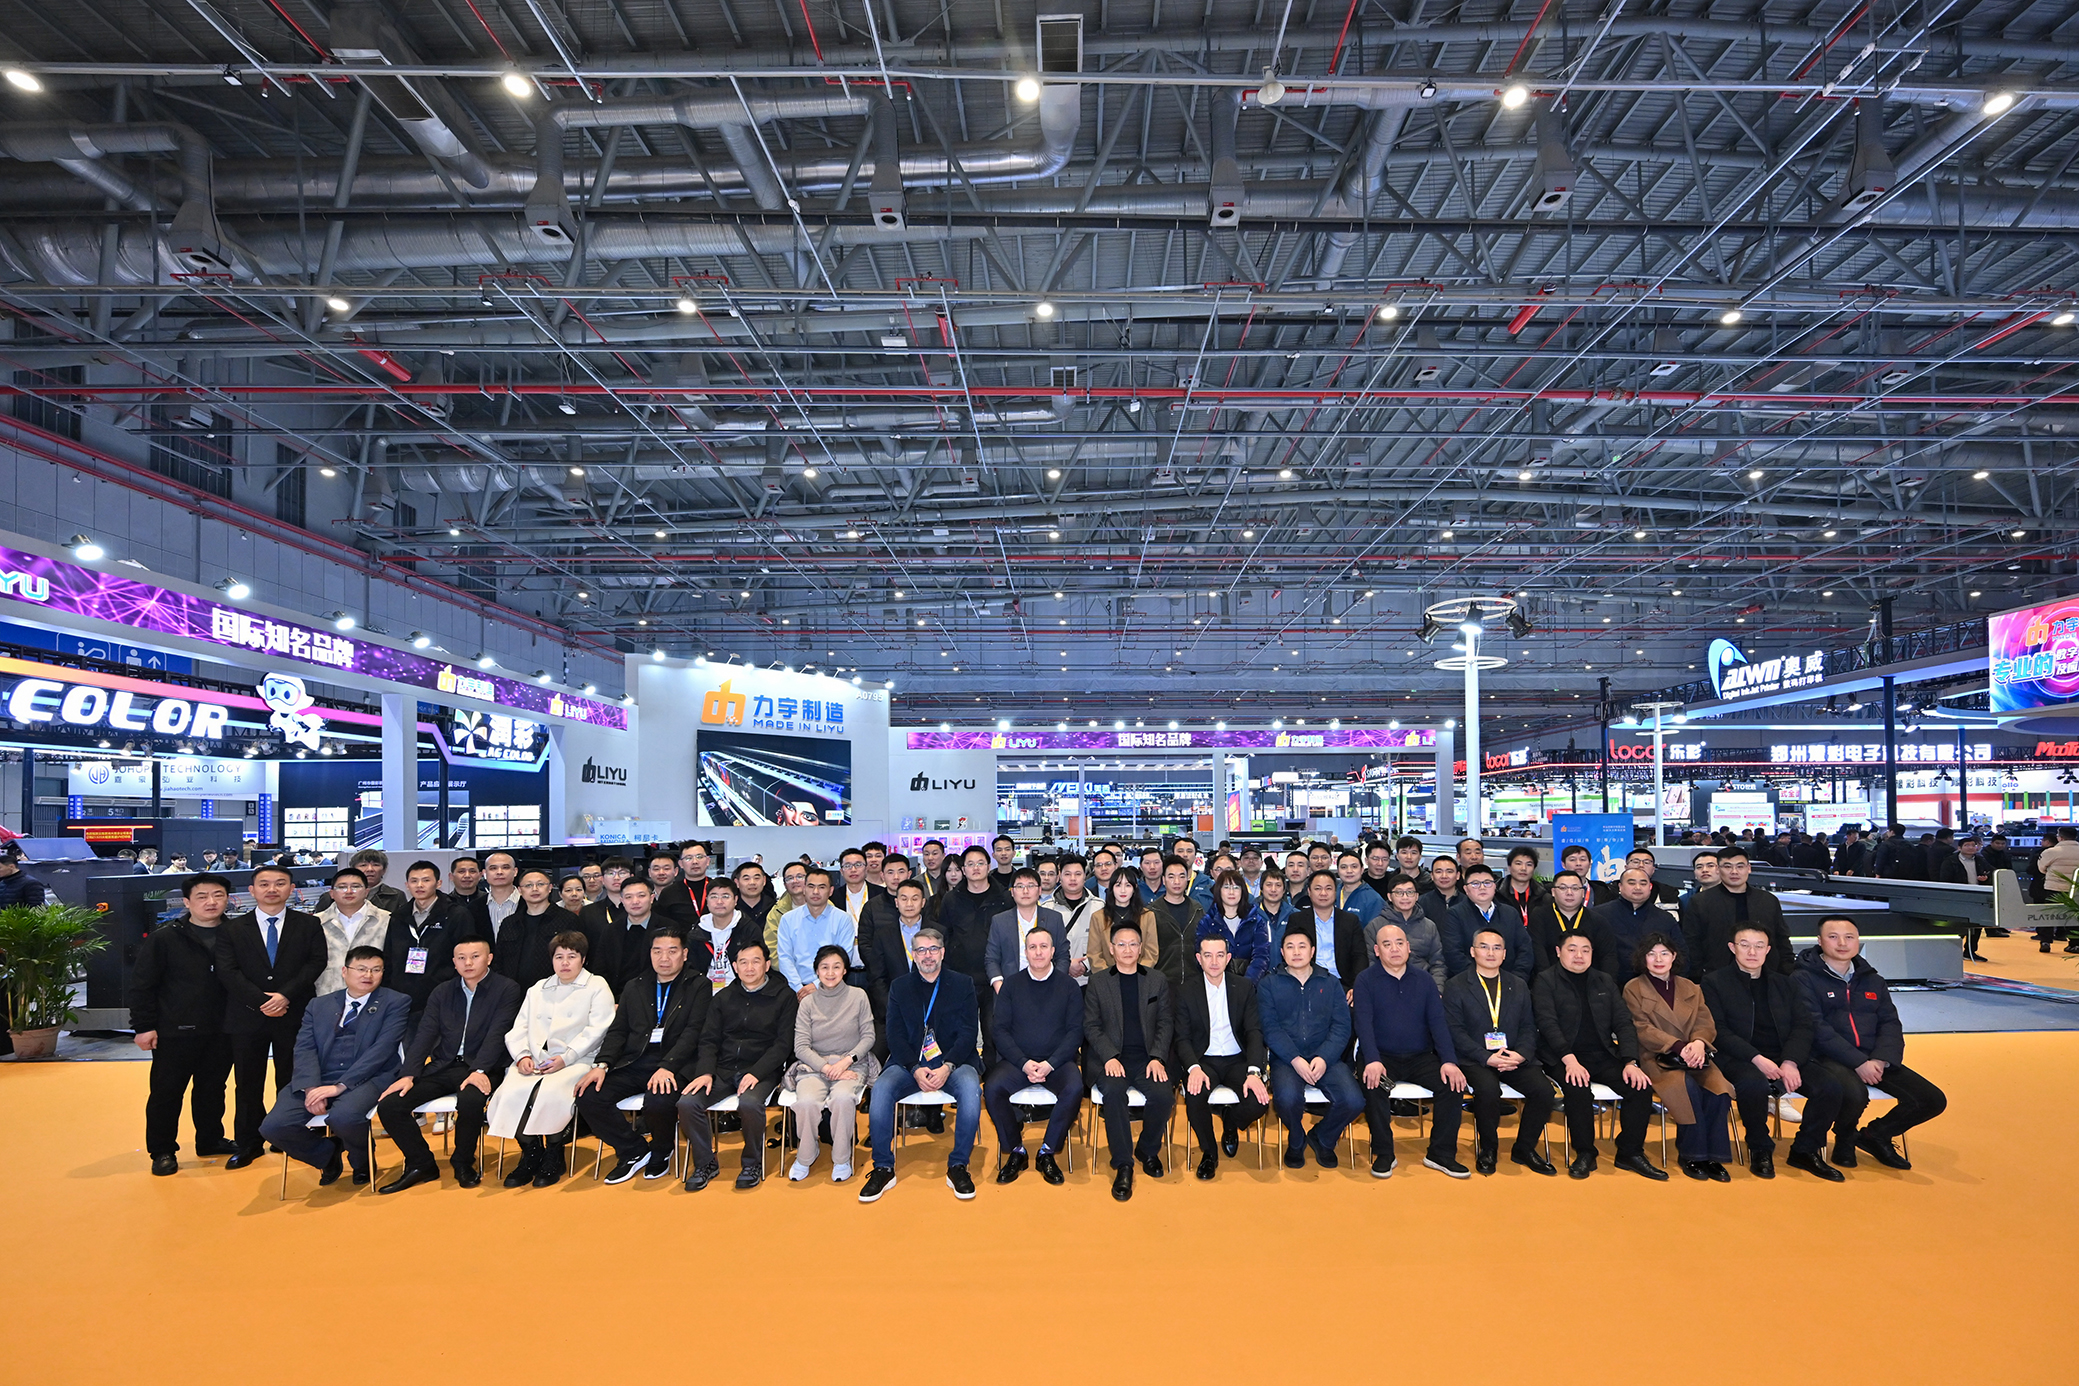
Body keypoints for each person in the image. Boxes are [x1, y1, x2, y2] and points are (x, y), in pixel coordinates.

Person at [372, 936, 526, 1192]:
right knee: (391, 1104)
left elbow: (498, 1033)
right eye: (461, 958)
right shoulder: (442, 991)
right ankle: (421, 1164)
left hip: (485, 1066)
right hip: (444, 1065)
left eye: (475, 956)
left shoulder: (506, 988)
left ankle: (463, 1162)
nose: (468, 963)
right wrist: (408, 1074)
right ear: (454, 962)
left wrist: (479, 1070)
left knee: (471, 1100)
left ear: (489, 958)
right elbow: (424, 1035)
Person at [1796, 917, 1947, 1170]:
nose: (1842, 943)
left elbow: (1890, 1022)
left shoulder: (1872, 979)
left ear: (1858, 941)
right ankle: (1845, 1137)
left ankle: (1874, 1135)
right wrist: (1858, 1062)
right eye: (1833, 937)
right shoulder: (1803, 978)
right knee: (1854, 1093)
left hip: (1872, 1056)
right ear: (1819, 941)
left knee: (1931, 1100)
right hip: (1825, 1056)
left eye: (1849, 937)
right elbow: (1816, 1028)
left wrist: (1880, 1059)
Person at [259, 946, 410, 1188]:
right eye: (361, 969)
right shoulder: (318, 1005)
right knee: (274, 1127)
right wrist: (311, 1087)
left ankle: (362, 1161)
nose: (368, 975)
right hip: (319, 1076)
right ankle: (326, 1155)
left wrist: (340, 1086)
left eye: (376, 970)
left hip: (368, 1076)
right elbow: (304, 1048)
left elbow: (381, 1051)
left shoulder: (396, 1002)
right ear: (344, 971)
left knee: (344, 1117)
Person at [1701, 925, 1844, 1182]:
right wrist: (1757, 1059)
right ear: (1732, 948)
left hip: (1783, 1056)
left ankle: (1805, 1149)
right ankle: (1760, 1147)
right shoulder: (1714, 982)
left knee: (1830, 1087)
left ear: (1767, 950)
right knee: (1753, 1085)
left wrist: (1791, 1061)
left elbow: (1803, 1026)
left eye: (1759, 946)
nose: (1752, 952)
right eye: (1744, 945)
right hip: (1739, 1056)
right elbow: (1718, 1030)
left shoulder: (1785, 983)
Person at [567, 929, 707, 1185]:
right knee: (589, 1095)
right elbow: (618, 1031)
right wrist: (602, 1064)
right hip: (636, 1060)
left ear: (685, 954)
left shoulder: (698, 985)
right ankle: (633, 1150)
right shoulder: (635, 986)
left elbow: (694, 1032)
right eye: (657, 951)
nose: (664, 958)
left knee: (658, 1100)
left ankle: (662, 1149)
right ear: (650, 954)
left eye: (672, 951)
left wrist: (668, 1066)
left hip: (676, 1062)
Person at [860, 925, 983, 1203]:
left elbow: (968, 1033)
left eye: (933, 949)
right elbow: (894, 1035)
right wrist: (914, 1069)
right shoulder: (900, 986)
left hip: (953, 1063)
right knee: (881, 1089)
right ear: (913, 954)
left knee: (971, 1090)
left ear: (942, 952)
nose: (927, 955)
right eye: (921, 950)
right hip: (909, 1064)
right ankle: (883, 1167)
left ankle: (958, 1165)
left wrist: (948, 1066)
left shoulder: (962, 984)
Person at [216, 863, 327, 1168]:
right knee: (247, 1082)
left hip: (294, 1013)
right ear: (252, 891)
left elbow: (316, 962)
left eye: (280, 883)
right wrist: (262, 1001)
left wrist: (285, 996)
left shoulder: (309, 924)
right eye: (264, 884)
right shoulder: (232, 929)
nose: (272, 889)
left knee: (291, 1078)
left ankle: (287, 1136)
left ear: (292, 889)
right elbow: (227, 971)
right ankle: (248, 1143)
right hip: (247, 1016)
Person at [484, 932, 615, 1188]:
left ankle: (554, 1152)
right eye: (559, 957)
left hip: (578, 1059)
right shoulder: (538, 988)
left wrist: (566, 1057)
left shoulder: (597, 986)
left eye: (571, 956)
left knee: (549, 1094)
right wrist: (522, 1055)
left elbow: (597, 1029)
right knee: (509, 1094)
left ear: (583, 959)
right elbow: (519, 1027)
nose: (565, 963)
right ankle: (531, 1151)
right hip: (536, 1060)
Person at [1532, 934, 1665, 1180]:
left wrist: (1630, 1061)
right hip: (1561, 1056)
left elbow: (1623, 1023)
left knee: (1640, 1087)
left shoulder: (1604, 981)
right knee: (1578, 1088)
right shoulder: (1545, 980)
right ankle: (1585, 1152)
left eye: (1586, 950)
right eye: (1572, 949)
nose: (1579, 955)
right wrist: (1570, 1060)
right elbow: (1547, 1024)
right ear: (1558, 952)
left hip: (1602, 1054)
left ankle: (1630, 1152)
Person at [130, 874, 238, 1174]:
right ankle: (162, 1150)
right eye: (202, 896)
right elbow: (142, 985)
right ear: (187, 902)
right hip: (174, 1031)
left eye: (218, 895)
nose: (211, 902)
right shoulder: (165, 938)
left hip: (223, 1029)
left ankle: (210, 1139)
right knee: (166, 1092)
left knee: (213, 1089)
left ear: (227, 899)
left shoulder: (237, 934)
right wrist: (143, 1026)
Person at [677, 938, 799, 1191]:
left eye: (756, 961)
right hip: (722, 1069)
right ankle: (706, 1163)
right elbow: (708, 1039)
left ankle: (752, 1163)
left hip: (761, 1069)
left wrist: (756, 1072)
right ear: (734, 966)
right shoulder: (723, 998)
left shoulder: (784, 997)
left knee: (750, 1103)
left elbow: (783, 1044)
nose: (749, 968)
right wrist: (705, 1072)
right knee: (687, 1103)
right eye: (743, 962)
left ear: (767, 965)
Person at [1353, 922, 1470, 1179]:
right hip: (1381, 1057)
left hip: (1420, 1057)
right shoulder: (1365, 980)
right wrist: (1372, 1059)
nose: (1394, 949)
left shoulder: (1425, 980)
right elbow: (1363, 1024)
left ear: (1408, 947)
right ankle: (1384, 1152)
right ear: (1377, 950)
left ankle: (1440, 1153)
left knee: (1453, 1085)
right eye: (1386, 944)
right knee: (1373, 1085)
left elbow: (1438, 1024)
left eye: (1399, 943)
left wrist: (1449, 1061)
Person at [1441, 928, 1557, 1176]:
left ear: (1504, 954)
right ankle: (1488, 1148)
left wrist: (1521, 1055)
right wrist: (1486, 1057)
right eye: (1484, 947)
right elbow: (1455, 1032)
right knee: (1488, 1090)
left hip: (1513, 1057)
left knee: (1544, 1091)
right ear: (1473, 952)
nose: (1490, 953)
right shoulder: (1456, 985)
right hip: (1475, 1058)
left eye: (1496, 948)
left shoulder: (1518, 985)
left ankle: (1524, 1148)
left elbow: (1529, 1026)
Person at [1621, 933, 1735, 1181]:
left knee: (1719, 1090)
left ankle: (1714, 1156)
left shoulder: (1691, 987)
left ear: (1673, 956)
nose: (1658, 959)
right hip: (1657, 1057)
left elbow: (1705, 1022)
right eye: (1651, 954)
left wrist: (1698, 1043)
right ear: (1643, 958)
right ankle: (1692, 1154)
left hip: (1695, 1055)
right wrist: (1677, 1046)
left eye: (1664, 953)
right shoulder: (1633, 988)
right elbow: (1641, 1028)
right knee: (1686, 1089)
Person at [1258, 923, 1364, 1169]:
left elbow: (1341, 1027)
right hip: (1287, 1060)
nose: (1296, 952)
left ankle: (1323, 1138)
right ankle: (1296, 1140)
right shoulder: (1268, 985)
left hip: (1327, 1058)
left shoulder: (1331, 983)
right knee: (1286, 1099)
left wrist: (1324, 1057)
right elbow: (1270, 1028)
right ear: (1282, 952)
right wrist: (1295, 1059)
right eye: (1290, 947)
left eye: (1302, 946)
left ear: (1312, 951)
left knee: (1354, 1101)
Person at [1082, 920, 1175, 1201]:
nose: (1127, 949)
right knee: (1113, 1093)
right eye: (1121, 944)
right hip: (1110, 1059)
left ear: (1141, 948)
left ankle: (1147, 1150)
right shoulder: (1098, 982)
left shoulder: (1156, 980)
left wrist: (1157, 1057)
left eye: (1133, 944)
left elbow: (1165, 1022)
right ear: (1111, 949)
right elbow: (1091, 1026)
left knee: (1164, 1095)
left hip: (1146, 1059)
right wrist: (1109, 1056)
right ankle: (1123, 1164)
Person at [984, 927, 1083, 1184]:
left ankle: (1047, 1151)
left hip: (1056, 1063)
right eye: (1032, 947)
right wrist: (1024, 1063)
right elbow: (1000, 1030)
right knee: (992, 1088)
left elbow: (1075, 1032)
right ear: (1025, 952)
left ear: (1053, 951)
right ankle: (1016, 1150)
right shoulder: (1011, 985)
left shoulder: (1069, 986)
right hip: (1018, 1062)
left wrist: (1050, 1064)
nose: (1038, 952)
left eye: (1043, 947)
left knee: (1074, 1088)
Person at [1174, 933, 1271, 1180]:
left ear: (1228, 958)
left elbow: (1254, 1032)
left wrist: (1254, 1071)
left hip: (1237, 1059)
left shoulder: (1244, 988)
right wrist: (1193, 1068)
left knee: (1259, 1102)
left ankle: (1230, 1121)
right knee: (1195, 1096)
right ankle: (1209, 1153)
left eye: (1220, 955)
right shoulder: (1186, 991)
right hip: (1203, 1060)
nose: (1214, 961)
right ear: (1199, 959)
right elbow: (1182, 1038)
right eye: (1208, 955)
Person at [784, 944, 879, 1184]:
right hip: (815, 1066)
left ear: (845, 970)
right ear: (816, 971)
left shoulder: (858, 996)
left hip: (851, 1065)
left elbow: (868, 1037)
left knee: (843, 1099)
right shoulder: (807, 1002)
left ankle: (841, 1158)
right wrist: (827, 1068)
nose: (830, 972)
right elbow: (801, 1047)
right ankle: (806, 1156)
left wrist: (846, 1062)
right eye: (824, 967)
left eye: (836, 967)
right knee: (806, 1102)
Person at [932, 845, 1011, 1059]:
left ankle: (992, 1073)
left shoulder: (1004, 898)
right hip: (960, 976)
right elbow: (944, 935)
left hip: (995, 977)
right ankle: (965, 1070)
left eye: (980, 863)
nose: (975, 868)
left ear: (989, 866)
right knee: (960, 1032)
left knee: (994, 1032)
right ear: (964, 869)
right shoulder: (951, 899)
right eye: (970, 864)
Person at [1680, 847, 1793, 979]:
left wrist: (1786, 971)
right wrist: (1698, 976)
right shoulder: (1700, 902)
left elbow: (1781, 939)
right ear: (1718, 869)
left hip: (1766, 975)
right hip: (1716, 977)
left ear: (1748, 868)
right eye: (1727, 866)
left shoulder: (1767, 900)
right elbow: (1692, 942)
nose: (1734, 872)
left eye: (1740, 866)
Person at [384, 860, 467, 1027]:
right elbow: (389, 956)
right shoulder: (398, 917)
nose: (419, 885)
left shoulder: (456, 914)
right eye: (414, 881)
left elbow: (465, 955)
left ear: (439, 883)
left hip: (443, 995)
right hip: (403, 996)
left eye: (426, 880)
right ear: (407, 885)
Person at [775, 867, 858, 998]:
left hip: (832, 987)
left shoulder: (842, 919)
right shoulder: (788, 919)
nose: (815, 892)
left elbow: (844, 957)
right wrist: (799, 989)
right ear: (804, 889)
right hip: (796, 990)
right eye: (811, 886)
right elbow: (785, 957)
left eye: (822, 887)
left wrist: (817, 985)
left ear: (831, 891)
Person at [985, 867, 1070, 993]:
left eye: (1030, 886)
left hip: (1048, 987)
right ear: (1012, 892)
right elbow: (991, 958)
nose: (1025, 891)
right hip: (1010, 988)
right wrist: (1000, 987)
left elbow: (1062, 955)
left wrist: (1055, 983)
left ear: (1039, 890)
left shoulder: (1054, 918)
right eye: (1020, 886)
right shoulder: (1000, 921)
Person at [495, 869, 584, 987]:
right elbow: (499, 960)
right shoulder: (510, 923)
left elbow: (577, 956)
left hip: (555, 988)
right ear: (520, 890)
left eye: (540, 884)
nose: (535, 889)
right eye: (528, 885)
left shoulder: (568, 920)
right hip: (513, 990)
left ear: (550, 888)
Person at [1444, 865, 1533, 981]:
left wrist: (1516, 979)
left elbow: (1525, 949)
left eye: (1487, 883)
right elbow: (1453, 953)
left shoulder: (1510, 913)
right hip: (1468, 983)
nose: (1482, 888)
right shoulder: (1454, 914)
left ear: (1494, 886)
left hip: (1510, 982)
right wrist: (1478, 980)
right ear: (1466, 889)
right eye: (1475, 884)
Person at [313, 868, 390, 997]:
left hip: (376, 997)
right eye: (342, 887)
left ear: (366, 892)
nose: (349, 891)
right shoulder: (315, 923)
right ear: (331, 893)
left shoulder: (387, 920)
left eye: (356, 886)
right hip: (327, 995)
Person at [590, 873, 667, 994]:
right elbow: (600, 969)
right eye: (628, 897)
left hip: (656, 994)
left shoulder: (667, 928)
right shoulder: (611, 930)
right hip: (615, 996)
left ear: (652, 898)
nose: (635, 901)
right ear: (622, 901)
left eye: (641, 896)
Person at [1528, 870, 1612, 976]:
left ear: (1583, 892)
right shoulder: (1539, 916)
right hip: (1549, 980)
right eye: (1563, 888)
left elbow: (1608, 956)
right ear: (1553, 892)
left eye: (1575, 888)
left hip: (1589, 980)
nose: (1569, 893)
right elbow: (1538, 953)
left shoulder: (1598, 920)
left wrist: (1604, 982)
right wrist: (1547, 980)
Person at [1596, 867, 1672, 983]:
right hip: (1609, 984)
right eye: (1631, 883)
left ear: (1650, 887)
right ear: (1620, 886)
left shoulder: (1665, 918)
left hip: (1655, 984)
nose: (1638, 887)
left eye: (1643, 883)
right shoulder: (1599, 915)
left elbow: (1680, 952)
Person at [1297, 869, 1368, 991]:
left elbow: (1359, 956)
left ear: (1335, 891)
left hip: (1343, 983)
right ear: (1309, 892)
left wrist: (1356, 987)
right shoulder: (1298, 919)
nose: (1323, 893)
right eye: (1318, 888)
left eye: (1328, 888)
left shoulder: (1350, 920)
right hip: (1308, 982)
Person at [1372, 880, 1448, 987]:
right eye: (1399, 893)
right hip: (1386, 985)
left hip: (1423, 985)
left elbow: (1438, 964)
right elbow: (1371, 963)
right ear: (1389, 896)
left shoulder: (1429, 926)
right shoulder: (1375, 926)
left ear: (1417, 896)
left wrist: (1437, 990)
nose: (1405, 897)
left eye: (1410, 892)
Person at [1090, 863, 1160, 974]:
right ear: (1111, 888)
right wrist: (1109, 976)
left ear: (1134, 888)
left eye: (1128, 885)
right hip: (1107, 978)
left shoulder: (1147, 916)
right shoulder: (1098, 917)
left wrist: (1136, 974)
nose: (1123, 890)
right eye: (1118, 885)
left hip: (1140, 977)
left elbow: (1151, 953)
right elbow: (1094, 955)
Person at [1145, 855, 1201, 989]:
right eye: (1171, 877)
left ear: (1187, 879)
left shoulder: (1198, 910)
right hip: (1162, 983)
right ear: (1163, 880)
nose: (1177, 881)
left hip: (1194, 982)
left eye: (1181, 876)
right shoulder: (1151, 912)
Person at [1049, 854, 1099, 983]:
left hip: (1090, 981)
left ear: (1085, 876)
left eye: (1078, 874)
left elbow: (1104, 944)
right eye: (1067, 874)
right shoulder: (1047, 909)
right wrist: (1065, 964)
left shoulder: (1100, 907)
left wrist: (1085, 965)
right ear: (1059, 877)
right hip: (1055, 980)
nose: (1073, 878)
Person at [460, 850, 522, 949]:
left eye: (505, 867)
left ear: (515, 872)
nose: (499, 872)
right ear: (484, 873)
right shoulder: (473, 908)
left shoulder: (529, 904)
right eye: (493, 868)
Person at [2034, 826, 2079, 952]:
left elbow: (2041, 868)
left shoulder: (2051, 852)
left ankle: (2045, 942)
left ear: (2060, 837)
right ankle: (2075, 943)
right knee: (2074, 915)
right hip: (2075, 889)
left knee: (2049, 915)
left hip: (2054, 887)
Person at [1496, 846, 1547, 927]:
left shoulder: (1544, 896)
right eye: (1518, 863)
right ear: (1509, 867)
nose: (1523, 868)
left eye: (1529, 864)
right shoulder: (1496, 894)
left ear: (1534, 868)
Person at [1335, 849, 1386, 926]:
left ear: (1362, 870)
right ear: (1338, 871)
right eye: (1343, 867)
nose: (1349, 871)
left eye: (1354, 867)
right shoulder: (1333, 893)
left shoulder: (1373, 899)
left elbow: (1375, 930)